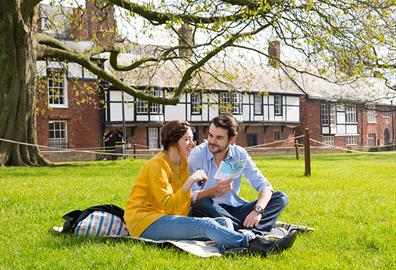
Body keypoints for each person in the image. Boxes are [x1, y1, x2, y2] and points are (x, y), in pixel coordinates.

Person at [124, 120, 296, 255]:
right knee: (206, 224)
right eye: (187, 139)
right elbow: (169, 206)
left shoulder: (183, 163)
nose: (193, 143)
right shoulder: (157, 165)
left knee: (223, 222)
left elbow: (179, 206)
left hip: (167, 217)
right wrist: (191, 182)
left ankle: (228, 248)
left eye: (192, 138)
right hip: (145, 221)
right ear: (173, 142)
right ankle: (256, 243)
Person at [188, 113, 289, 234]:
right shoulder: (197, 154)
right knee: (202, 203)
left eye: (219, 138)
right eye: (210, 135)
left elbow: (264, 186)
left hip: (234, 209)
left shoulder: (240, 154)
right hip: (208, 209)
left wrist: (257, 211)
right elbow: (190, 197)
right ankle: (252, 232)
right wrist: (214, 191)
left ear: (231, 139)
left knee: (280, 197)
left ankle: (243, 232)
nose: (212, 141)